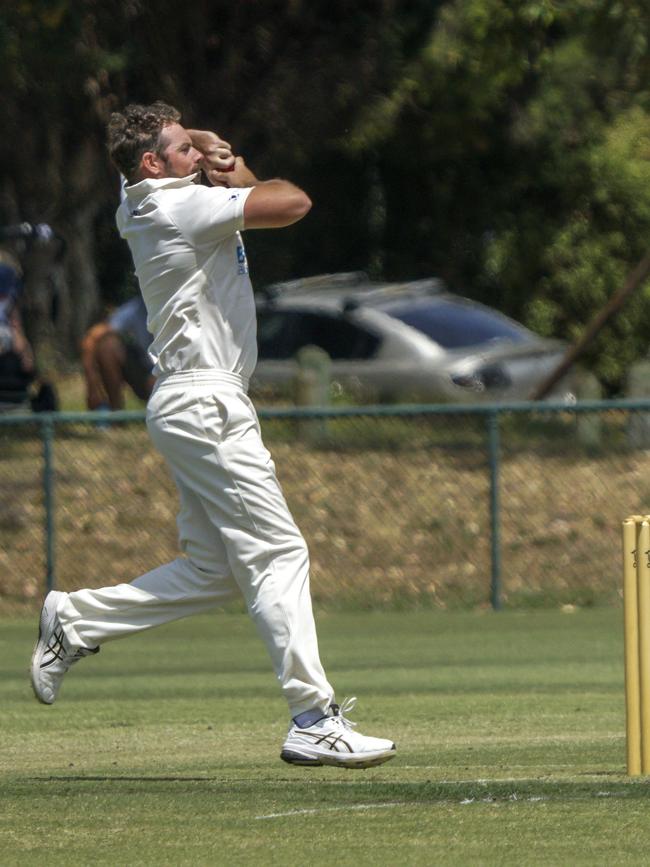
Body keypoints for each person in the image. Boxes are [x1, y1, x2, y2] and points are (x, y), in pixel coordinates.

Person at [30, 101, 396, 769]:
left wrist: (206, 149)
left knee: (215, 569)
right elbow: (290, 203)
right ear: (154, 165)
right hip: (205, 402)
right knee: (280, 553)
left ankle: (77, 620)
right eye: (181, 150)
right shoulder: (178, 208)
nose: (193, 158)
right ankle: (313, 717)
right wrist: (222, 161)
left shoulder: (137, 197)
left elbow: (238, 185)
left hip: (190, 401)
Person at [81, 295, 155, 410]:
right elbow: (91, 338)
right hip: (147, 373)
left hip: (176, 373)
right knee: (108, 346)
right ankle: (115, 413)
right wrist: (92, 386)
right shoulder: (137, 307)